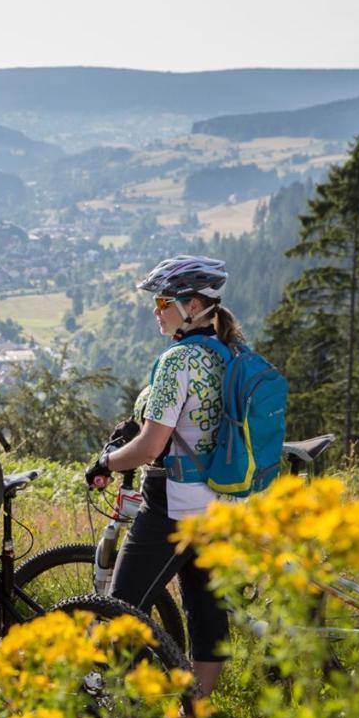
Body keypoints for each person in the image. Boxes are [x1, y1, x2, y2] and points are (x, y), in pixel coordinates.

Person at [85, 255, 244, 695]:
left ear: (191, 305)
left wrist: (106, 462)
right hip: (220, 504)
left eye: (162, 301)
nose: (156, 310)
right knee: (206, 612)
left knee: (119, 608)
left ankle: (102, 713)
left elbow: (152, 447)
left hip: (172, 501)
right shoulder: (230, 352)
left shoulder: (178, 361)